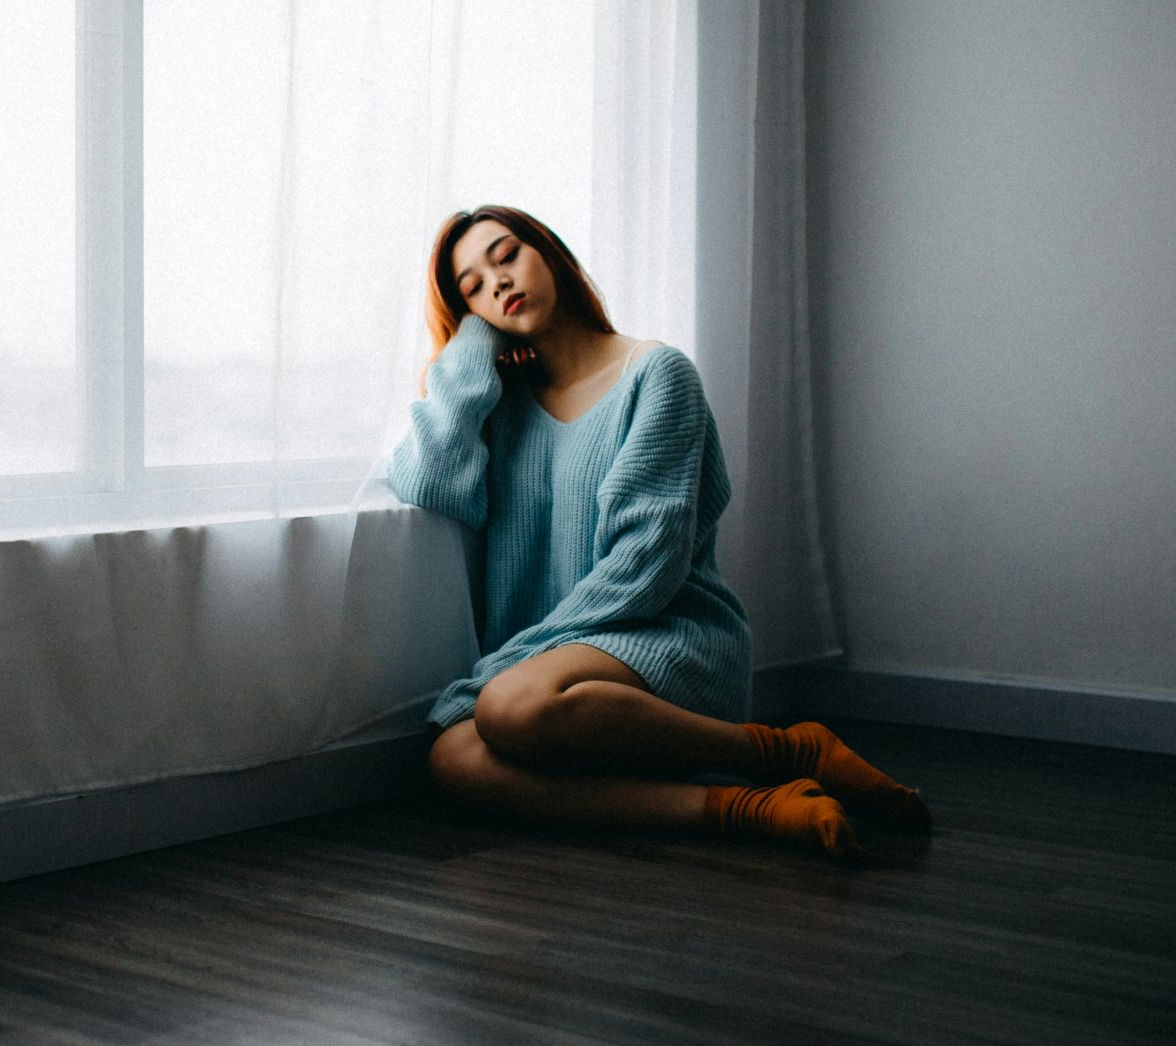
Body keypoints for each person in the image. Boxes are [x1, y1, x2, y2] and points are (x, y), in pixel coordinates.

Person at [388, 204, 930, 858]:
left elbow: (646, 563)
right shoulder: (501, 407)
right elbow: (430, 481)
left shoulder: (655, 374)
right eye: (472, 286)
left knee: (505, 707)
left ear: (550, 252)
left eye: (506, 255)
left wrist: (508, 668)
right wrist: (472, 345)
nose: (498, 282)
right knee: (452, 759)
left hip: (665, 635)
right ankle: (741, 808)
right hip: (551, 682)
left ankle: (782, 748)